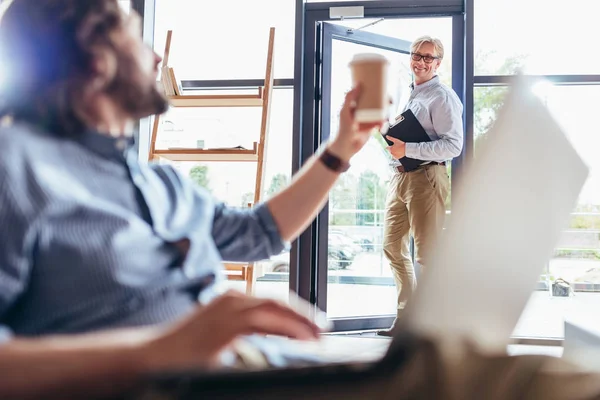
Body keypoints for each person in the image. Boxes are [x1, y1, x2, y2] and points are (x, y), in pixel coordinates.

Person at [0, 0, 383, 398]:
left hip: (256, 369)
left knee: (433, 364)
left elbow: (259, 233)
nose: (156, 57)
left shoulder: (161, 182)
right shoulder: (15, 164)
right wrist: (157, 352)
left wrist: (340, 148)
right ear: (98, 59)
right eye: (136, 38)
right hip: (170, 387)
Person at [377, 36, 464, 336]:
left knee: (427, 254)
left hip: (427, 178)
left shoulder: (442, 96)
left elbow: (453, 146)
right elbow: (404, 138)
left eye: (429, 58)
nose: (422, 62)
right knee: (391, 246)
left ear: (438, 63)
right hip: (400, 177)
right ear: (410, 58)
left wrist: (408, 150)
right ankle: (407, 318)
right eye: (418, 56)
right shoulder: (411, 94)